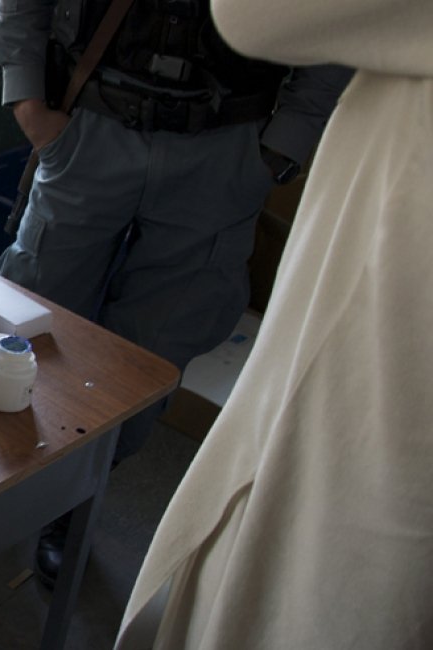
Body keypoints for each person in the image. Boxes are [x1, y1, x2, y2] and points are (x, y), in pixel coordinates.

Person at [0, 0, 352, 587]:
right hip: (91, 125)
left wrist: (285, 143)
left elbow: (331, 20)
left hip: (224, 148)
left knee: (153, 351)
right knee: (28, 321)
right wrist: (29, 100)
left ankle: (73, 507)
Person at [114, 0, 433, 647]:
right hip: (100, 113)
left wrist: (284, 140)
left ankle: (83, 501)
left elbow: (254, 14)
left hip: (366, 214)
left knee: (316, 555)